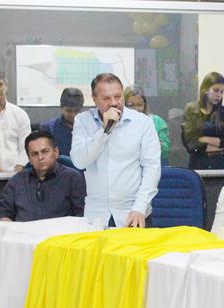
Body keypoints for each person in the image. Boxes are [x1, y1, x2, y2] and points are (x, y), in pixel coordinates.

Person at [70, 73, 160, 228]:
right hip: (96, 214)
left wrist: (140, 207)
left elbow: (152, 168)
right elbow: (79, 161)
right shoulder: (83, 121)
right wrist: (104, 131)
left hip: (132, 212)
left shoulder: (142, 123)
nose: (114, 103)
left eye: (118, 97)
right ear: (94, 99)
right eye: (106, 98)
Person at [0, 130, 85, 222]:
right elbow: (5, 213)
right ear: (29, 159)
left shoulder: (72, 178)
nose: (40, 157)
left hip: (60, 234)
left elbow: (81, 214)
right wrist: (5, 222)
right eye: (34, 154)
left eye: (45, 151)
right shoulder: (17, 181)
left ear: (56, 152)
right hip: (24, 234)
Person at [182, 72, 224, 170]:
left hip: (222, 165)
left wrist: (203, 139)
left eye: (222, 91)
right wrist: (219, 144)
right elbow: (190, 144)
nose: (219, 95)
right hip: (198, 164)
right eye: (216, 90)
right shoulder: (191, 110)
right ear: (205, 90)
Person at [123, 85, 170, 164]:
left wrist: (155, 142)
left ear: (144, 105)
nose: (136, 109)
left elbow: (166, 152)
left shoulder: (157, 122)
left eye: (139, 105)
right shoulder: (119, 124)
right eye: (131, 105)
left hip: (154, 166)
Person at [41, 88, 83, 157]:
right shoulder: (49, 129)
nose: (73, 115)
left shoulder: (88, 127)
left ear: (81, 108)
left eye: (77, 111)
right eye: (68, 111)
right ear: (61, 107)